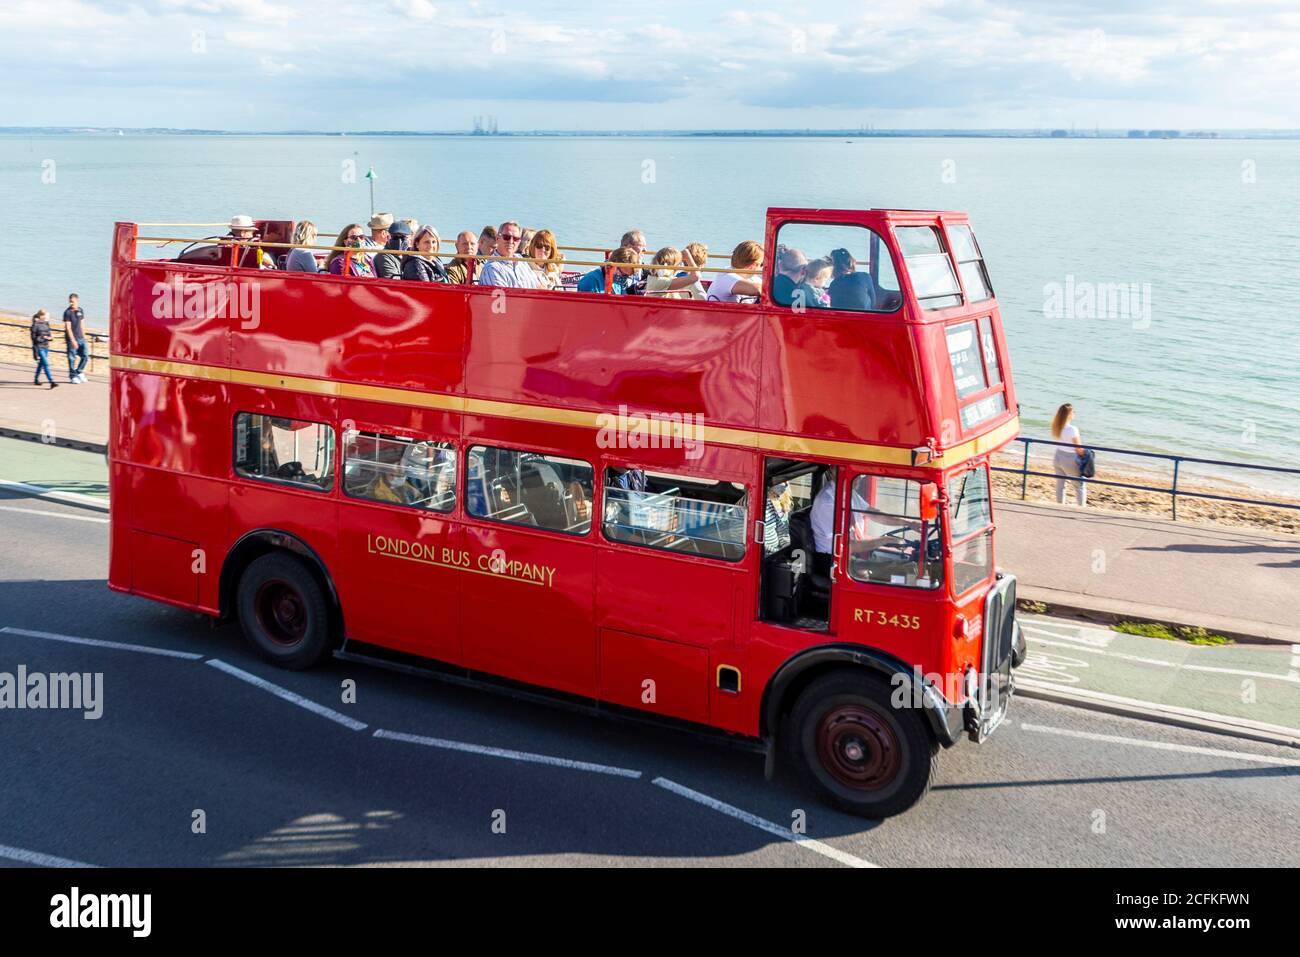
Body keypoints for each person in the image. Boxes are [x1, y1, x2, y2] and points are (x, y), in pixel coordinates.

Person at [477, 221, 542, 288]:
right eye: (506, 237)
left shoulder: (522, 261)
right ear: (497, 239)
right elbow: (501, 297)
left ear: (519, 242)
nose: (511, 241)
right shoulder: (492, 268)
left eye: (515, 239)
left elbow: (538, 286)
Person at [1051, 403, 1088, 506]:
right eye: (1073, 412)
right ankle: (1081, 508)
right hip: (1070, 458)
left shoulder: (1057, 426)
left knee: (1060, 485)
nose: (1074, 413)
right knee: (1079, 485)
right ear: (1069, 415)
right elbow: (1078, 449)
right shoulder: (1072, 429)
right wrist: (1086, 454)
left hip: (1058, 456)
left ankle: (1060, 506)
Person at [63, 293, 88, 383]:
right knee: (72, 358)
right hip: (72, 339)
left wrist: (84, 337)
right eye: (70, 301)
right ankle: (72, 376)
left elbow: (82, 324)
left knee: (85, 356)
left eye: (72, 302)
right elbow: (68, 328)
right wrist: (73, 340)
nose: (71, 303)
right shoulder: (67, 312)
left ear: (77, 301)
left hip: (81, 337)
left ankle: (79, 371)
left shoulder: (80, 310)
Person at [30, 309, 57, 388]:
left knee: (41, 364)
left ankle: (36, 379)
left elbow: (48, 334)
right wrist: (43, 337)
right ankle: (52, 381)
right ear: (41, 316)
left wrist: (50, 337)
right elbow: (33, 338)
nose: (47, 317)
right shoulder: (35, 325)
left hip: (46, 346)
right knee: (45, 364)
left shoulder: (46, 324)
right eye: (46, 315)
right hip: (39, 347)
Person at [763, 481, 791, 555]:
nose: (777, 498)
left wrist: (786, 549)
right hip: (765, 554)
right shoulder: (751, 504)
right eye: (774, 495)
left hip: (776, 551)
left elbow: (782, 530)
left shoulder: (771, 502)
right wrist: (777, 552)